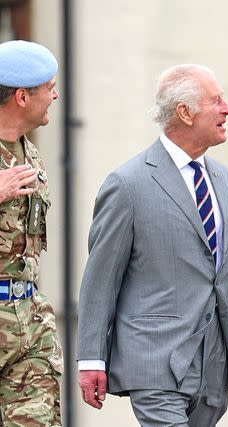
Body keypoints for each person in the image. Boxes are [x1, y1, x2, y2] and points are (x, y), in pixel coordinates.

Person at [76, 64, 228, 426]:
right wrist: (91, 358)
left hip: (214, 362)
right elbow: (100, 278)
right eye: (216, 100)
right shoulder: (127, 184)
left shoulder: (225, 180)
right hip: (154, 362)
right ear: (185, 113)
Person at [0, 40, 63, 426]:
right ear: (22, 96)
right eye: (48, 88)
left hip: (29, 318)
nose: (55, 95)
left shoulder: (31, 154)